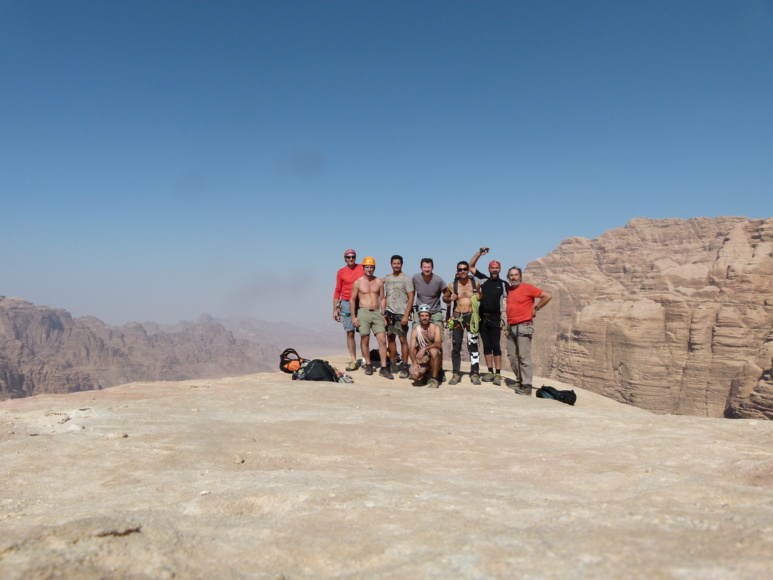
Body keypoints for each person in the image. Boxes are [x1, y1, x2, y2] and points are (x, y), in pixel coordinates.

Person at [505, 266, 552, 396]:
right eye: (511, 275)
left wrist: (536, 308)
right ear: (508, 277)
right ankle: (520, 380)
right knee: (512, 356)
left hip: (524, 326)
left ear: (520, 276)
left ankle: (527, 386)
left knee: (524, 357)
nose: (513, 277)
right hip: (511, 327)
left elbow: (547, 296)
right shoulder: (509, 289)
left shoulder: (527, 288)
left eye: (516, 275)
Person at [469, 247, 509, 386]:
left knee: (496, 346)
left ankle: (498, 374)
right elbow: (471, 266)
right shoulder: (483, 280)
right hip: (482, 318)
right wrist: (479, 253)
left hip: (496, 318)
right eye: (492, 267)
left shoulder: (504, 284)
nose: (494, 270)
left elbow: (511, 300)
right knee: (486, 346)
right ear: (489, 269)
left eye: (496, 268)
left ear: (500, 270)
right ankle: (490, 371)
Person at [350, 257, 393, 379]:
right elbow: (352, 299)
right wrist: (353, 317)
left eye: (371, 267)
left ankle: (384, 367)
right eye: (367, 267)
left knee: (382, 340)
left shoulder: (379, 282)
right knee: (365, 339)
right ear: (363, 268)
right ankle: (368, 364)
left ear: (374, 268)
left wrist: (384, 315)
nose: (369, 269)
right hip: (363, 312)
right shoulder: (358, 282)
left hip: (376, 312)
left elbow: (382, 298)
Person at [443, 261, 482, 385]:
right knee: (456, 345)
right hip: (457, 317)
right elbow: (445, 298)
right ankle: (456, 373)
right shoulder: (452, 286)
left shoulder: (475, 284)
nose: (463, 271)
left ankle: (475, 373)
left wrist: (478, 295)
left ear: (468, 270)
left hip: (471, 317)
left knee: (473, 345)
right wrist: (450, 298)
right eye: (460, 270)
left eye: (465, 269)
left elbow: (481, 297)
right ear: (457, 272)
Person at [383, 255, 415, 379]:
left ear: (402, 264)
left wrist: (406, 314)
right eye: (394, 263)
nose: (396, 265)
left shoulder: (406, 279)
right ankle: (392, 364)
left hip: (401, 313)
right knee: (390, 338)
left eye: (398, 263)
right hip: (389, 313)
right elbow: (387, 296)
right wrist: (384, 313)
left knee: (402, 340)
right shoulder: (388, 279)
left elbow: (411, 297)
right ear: (391, 264)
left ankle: (405, 366)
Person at [333, 249, 364, 371]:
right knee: (350, 332)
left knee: (364, 332)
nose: (351, 259)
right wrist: (335, 309)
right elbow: (337, 290)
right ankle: (353, 360)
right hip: (346, 303)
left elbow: (371, 278)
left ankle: (365, 360)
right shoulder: (341, 272)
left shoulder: (362, 268)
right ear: (345, 259)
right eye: (348, 257)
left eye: (353, 257)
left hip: (361, 302)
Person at [408, 304, 443, 388]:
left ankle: (434, 379)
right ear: (419, 317)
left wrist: (424, 348)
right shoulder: (416, 331)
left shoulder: (436, 328)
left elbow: (438, 343)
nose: (424, 318)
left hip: (434, 355)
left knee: (433, 351)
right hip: (423, 358)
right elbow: (411, 349)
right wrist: (414, 363)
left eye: (426, 315)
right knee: (415, 376)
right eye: (422, 316)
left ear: (430, 316)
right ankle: (426, 373)